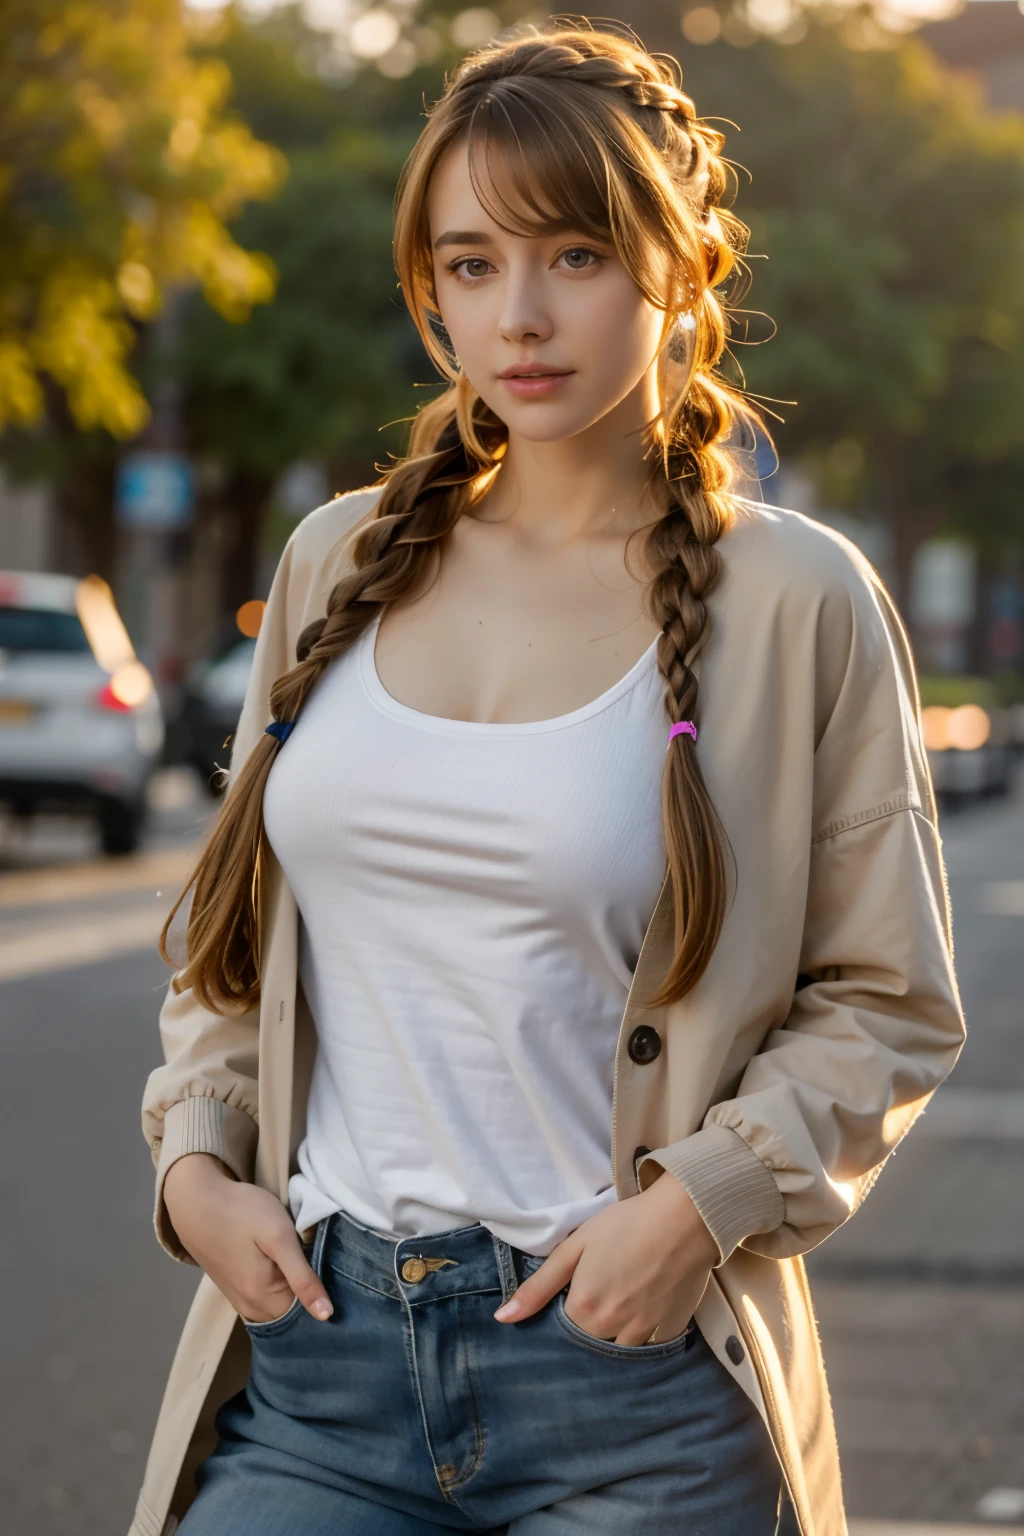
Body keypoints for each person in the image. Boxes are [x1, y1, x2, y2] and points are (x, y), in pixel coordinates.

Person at [133, 23, 964, 1536]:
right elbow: (232, 947)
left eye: (573, 254)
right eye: (468, 264)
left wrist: (697, 1208)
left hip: (629, 1381)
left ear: (679, 266)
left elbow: (888, 999)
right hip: (319, 1363)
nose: (517, 316)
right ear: (428, 286)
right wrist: (195, 1162)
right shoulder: (337, 561)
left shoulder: (797, 601)